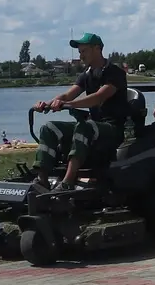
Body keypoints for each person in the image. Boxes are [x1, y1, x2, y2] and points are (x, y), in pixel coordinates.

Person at [32, 32, 129, 192]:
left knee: (84, 127)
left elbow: (98, 97)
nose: (81, 55)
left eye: (84, 51)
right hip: (94, 127)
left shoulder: (114, 73)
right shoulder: (87, 75)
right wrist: (47, 104)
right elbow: (66, 95)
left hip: (113, 128)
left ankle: (67, 182)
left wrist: (67, 104)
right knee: (49, 128)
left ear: (97, 49)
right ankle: (42, 180)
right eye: (80, 52)